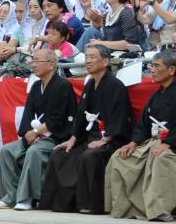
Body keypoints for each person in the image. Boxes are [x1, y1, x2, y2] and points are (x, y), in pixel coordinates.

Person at [105, 48, 176, 222]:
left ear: (171, 70)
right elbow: (144, 124)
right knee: (118, 157)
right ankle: (126, 208)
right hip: (154, 141)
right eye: (151, 65)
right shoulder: (156, 95)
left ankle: (158, 210)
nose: (152, 69)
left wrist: (168, 144)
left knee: (161, 158)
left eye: (156, 66)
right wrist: (133, 143)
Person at [42, 44, 135, 213]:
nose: (88, 61)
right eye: (86, 57)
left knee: (91, 156)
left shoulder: (115, 85)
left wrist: (105, 140)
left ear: (106, 61)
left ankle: (89, 204)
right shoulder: (90, 84)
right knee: (60, 153)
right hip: (89, 137)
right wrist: (72, 139)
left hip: (111, 139)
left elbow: (120, 116)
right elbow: (80, 115)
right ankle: (61, 203)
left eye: (92, 57)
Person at [0, 48, 77, 211]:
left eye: (37, 61)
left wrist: (37, 133)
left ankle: (27, 197)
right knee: (7, 150)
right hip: (36, 135)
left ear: (51, 64)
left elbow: (58, 119)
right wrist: (27, 135)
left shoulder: (63, 85)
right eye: (33, 61)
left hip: (56, 137)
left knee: (34, 152)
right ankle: (10, 196)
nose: (33, 64)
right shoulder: (37, 86)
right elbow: (28, 114)